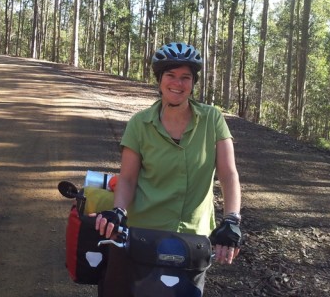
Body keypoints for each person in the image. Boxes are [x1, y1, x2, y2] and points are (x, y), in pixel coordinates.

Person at [95, 42, 242, 296]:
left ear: (193, 83)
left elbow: (229, 174)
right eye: (171, 75)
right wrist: (118, 211)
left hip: (193, 239)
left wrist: (232, 220)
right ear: (159, 80)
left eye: (186, 77)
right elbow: (128, 178)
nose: (178, 83)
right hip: (144, 234)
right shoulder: (140, 124)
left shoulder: (212, 119)